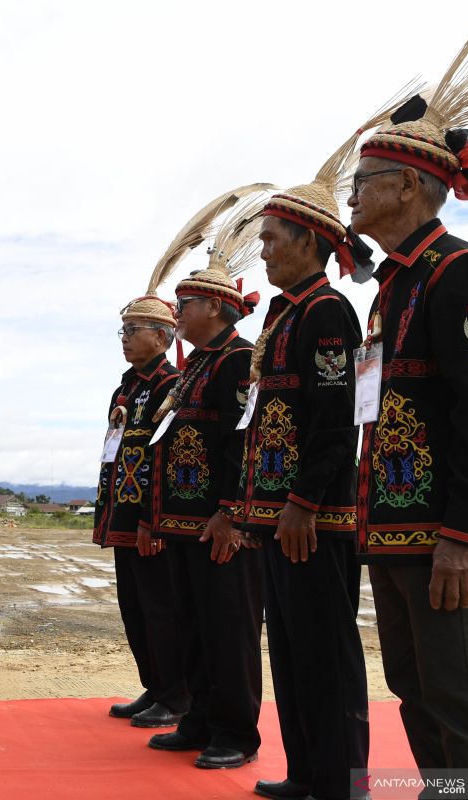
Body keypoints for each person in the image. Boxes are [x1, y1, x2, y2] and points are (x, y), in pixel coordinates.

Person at [347, 11, 468, 795]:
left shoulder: (461, 275)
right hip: (393, 527)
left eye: (363, 182)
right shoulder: (394, 285)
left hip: (445, 533)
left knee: (461, 691)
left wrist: (462, 536)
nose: (350, 197)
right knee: (415, 689)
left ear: (413, 186)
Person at [240, 130, 378, 799]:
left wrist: (304, 503)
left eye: (270, 239)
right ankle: (306, 773)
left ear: (306, 241)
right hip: (277, 515)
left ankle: (343, 782)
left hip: (311, 519)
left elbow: (335, 419)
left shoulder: (327, 314)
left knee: (325, 652)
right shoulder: (284, 316)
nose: (262, 251)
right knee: (291, 654)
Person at [98, 193, 242, 729]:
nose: (125, 339)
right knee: (137, 609)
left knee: (165, 610)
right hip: (129, 512)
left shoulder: (170, 382)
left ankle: (175, 693)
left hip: (157, 515)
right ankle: (156, 685)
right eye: (123, 331)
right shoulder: (131, 383)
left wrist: (149, 518)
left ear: (161, 337)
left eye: (133, 330)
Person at [143, 186, 267, 770]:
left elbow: (245, 439)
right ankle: (198, 718)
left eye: (185, 304)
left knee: (228, 630)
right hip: (185, 523)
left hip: (219, 523)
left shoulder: (239, 362)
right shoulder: (195, 369)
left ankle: (236, 732)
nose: (178, 314)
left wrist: (229, 511)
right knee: (193, 625)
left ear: (216, 308)